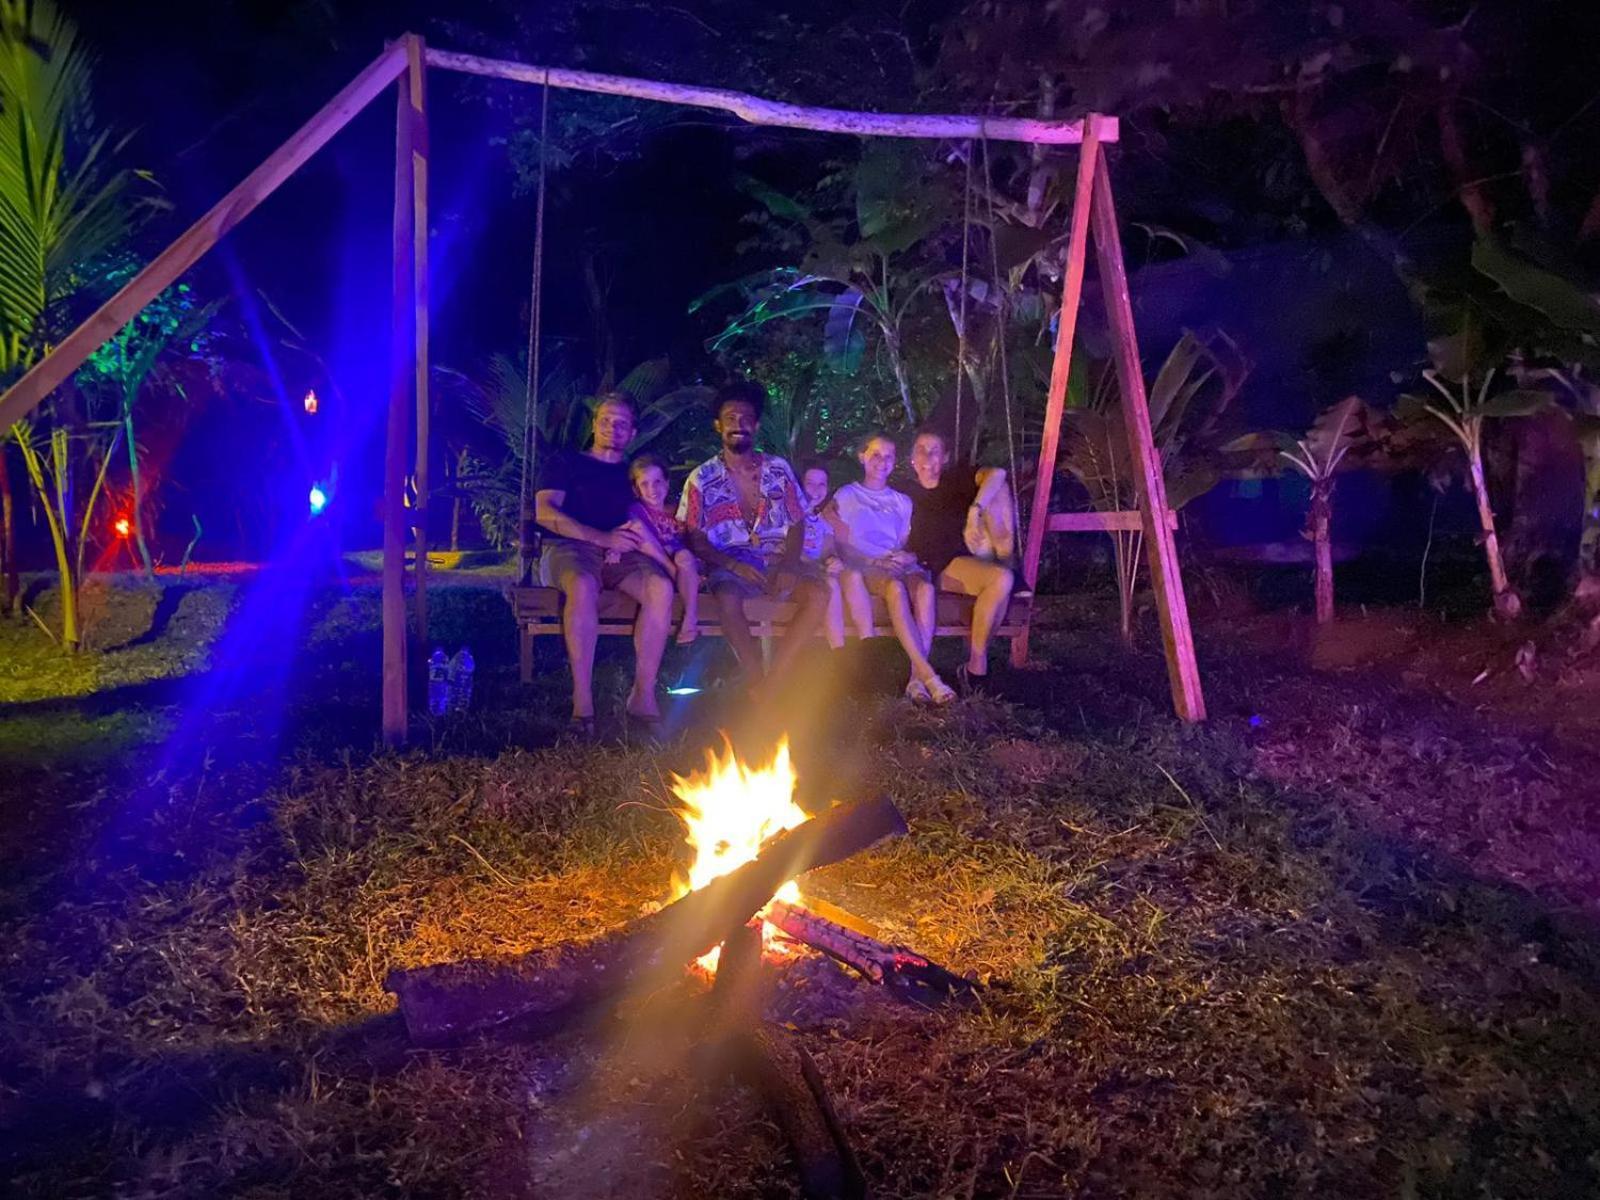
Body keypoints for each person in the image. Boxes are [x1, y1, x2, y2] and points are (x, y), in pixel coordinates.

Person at [534, 392, 674, 734]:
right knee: (582, 585)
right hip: (570, 549)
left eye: (621, 423)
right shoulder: (565, 463)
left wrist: (672, 558)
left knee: (660, 588)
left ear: (633, 432)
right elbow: (545, 512)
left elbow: (651, 516)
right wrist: (600, 538)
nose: (613, 428)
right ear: (595, 424)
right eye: (606, 420)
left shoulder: (633, 476)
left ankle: (642, 694)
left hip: (623, 555)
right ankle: (583, 701)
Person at [677, 381, 830, 690]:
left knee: (819, 594)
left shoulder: (778, 469)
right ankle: (755, 677)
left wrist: (789, 564)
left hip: (776, 558)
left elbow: (797, 521)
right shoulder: (702, 479)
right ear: (718, 425)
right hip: (731, 563)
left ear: (756, 425)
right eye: (731, 418)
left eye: (746, 418)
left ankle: (775, 678)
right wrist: (734, 566)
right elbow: (696, 539)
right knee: (728, 597)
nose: (739, 425)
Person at [828, 434, 957, 705]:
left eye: (888, 456)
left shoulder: (902, 501)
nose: (882, 461)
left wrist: (908, 557)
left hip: (897, 563)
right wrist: (873, 562)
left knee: (925, 590)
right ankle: (930, 675)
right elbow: (839, 542)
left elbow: (904, 542)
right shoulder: (847, 495)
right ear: (862, 456)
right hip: (865, 565)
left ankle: (914, 680)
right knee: (895, 588)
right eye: (875, 454)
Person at [905, 426, 1017, 691]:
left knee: (1002, 580)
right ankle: (974, 669)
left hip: (961, 559)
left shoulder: (956, 481)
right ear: (911, 459)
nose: (927, 455)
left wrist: (974, 512)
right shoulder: (903, 490)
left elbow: (998, 474)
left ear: (944, 458)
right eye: (921, 450)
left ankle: (975, 666)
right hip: (926, 566)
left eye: (934, 451)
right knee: (1002, 581)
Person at [623, 455, 701, 645]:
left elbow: (694, 539)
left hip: (685, 571)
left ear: (666, 483)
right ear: (636, 489)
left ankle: (690, 616)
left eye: (657, 482)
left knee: (684, 556)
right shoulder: (635, 512)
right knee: (680, 557)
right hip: (656, 569)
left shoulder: (679, 511)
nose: (653, 489)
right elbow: (629, 536)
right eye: (645, 484)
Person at [798, 461, 847, 650]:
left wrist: (833, 561)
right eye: (810, 483)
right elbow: (782, 550)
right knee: (829, 584)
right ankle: (837, 651)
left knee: (833, 580)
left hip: (818, 575)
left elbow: (828, 552)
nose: (815, 489)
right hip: (794, 577)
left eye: (822, 484)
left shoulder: (822, 522)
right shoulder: (787, 514)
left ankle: (838, 651)